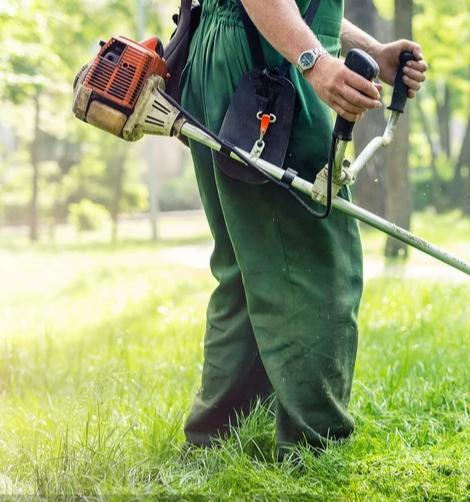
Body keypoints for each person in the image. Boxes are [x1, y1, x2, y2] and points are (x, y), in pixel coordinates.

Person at [179, 0, 428, 458]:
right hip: (267, 66)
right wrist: (316, 62)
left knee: (248, 263)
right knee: (316, 263)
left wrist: (371, 49)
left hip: (236, 53)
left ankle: (215, 439)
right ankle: (314, 447)